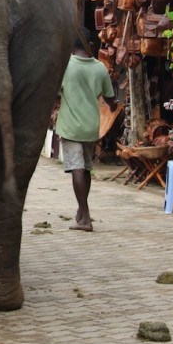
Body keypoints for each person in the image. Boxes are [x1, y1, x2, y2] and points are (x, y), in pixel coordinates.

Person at [55, 32, 116, 232]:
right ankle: (82, 213)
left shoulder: (65, 66)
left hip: (71, 126)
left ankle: (85, 215)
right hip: (91, 126)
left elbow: (55, 93)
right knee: (86, 167)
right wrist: (112, 106)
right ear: (90, 45)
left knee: (77, 168)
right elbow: (111, 101)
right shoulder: (100, 68)